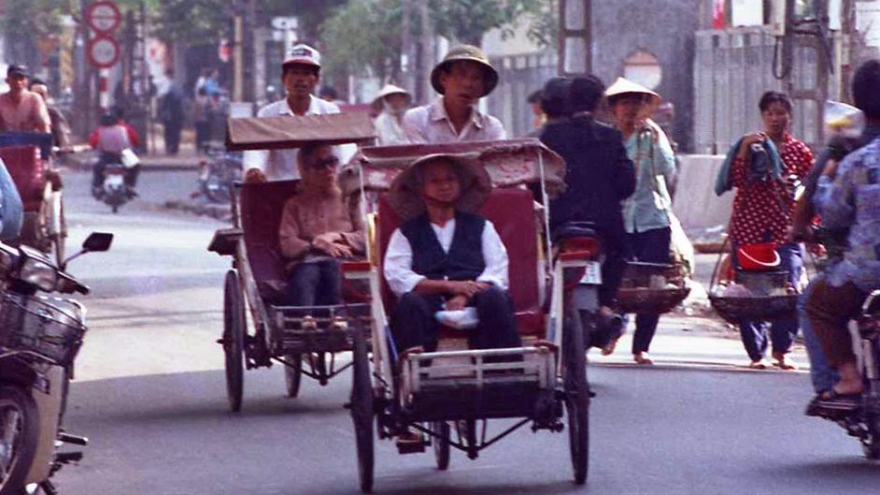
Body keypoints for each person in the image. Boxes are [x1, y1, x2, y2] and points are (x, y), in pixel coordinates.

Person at [795, 61, 880, 413]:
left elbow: (831, 214)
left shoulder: (851, 156)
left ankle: (844, 378)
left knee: (814, 304)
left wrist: (829, 177)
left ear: (857, 103)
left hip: (863, 271)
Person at [383, 154, 522, 358]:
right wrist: (449, 286)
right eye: (435, 181)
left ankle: (506, 369)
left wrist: (464, 294)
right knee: (409, 303)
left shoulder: (481, 226)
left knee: (494, 297)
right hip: (428, 303)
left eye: (450, 179)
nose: (445, 186)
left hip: (476, 299)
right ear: (421, 189)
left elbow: (497, 271)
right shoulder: (405, 233)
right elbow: (398, 276)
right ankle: (408, 372)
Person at [538, 75, 636, 350]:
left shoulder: (550, 136)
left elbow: (538, 182)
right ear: (599, 103)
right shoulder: (612, 136)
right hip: (604, 224)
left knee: (545, 263)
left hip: (559, 221)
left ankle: (546, 306)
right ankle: (606, 306)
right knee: (620, 253)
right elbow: (627, 184)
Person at [720, 91, 813, 370]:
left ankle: (782, 349)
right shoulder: (751, 146)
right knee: (751, 291)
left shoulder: (800, 152)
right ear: (763, 116)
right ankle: (756, 353)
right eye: (770, 113)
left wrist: (812, 227)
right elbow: (735, 179)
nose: (776, 118)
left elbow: (811, 192)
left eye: (781, 112)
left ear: (790, 116)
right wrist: (746, 149)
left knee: (789, 287)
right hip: (749, 227)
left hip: (786, 229)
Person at [605, 77, 677, 365]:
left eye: (636, 103)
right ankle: (613, 329)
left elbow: (665, 169)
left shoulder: (652, 135)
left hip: (652, 218)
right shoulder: (607, 137)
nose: (630, 109)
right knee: (618, 279)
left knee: (651, 284)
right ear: (614, 108)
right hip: (618, 218)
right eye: (624, 103)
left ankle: (641, 346)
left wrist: (656, 138)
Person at [278, 142, 365, 306]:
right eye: (320, 165)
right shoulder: (294, 205)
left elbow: (366, 238)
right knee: (309, 272)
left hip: (345, 263)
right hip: (307, 263)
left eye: (332, 162)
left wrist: (335, 236)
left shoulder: (350, 200)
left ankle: (337, 319)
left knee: (332, 267)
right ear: (305, 170)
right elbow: (287, 242)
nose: (329, 170)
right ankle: (306, 320)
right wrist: (315, 245)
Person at [243, 44, 341, 183]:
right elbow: (257, 150)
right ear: (284, 78)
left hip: (319, 189)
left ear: (316, 80)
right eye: (294, 73)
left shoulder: (329, 111)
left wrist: (349, 168)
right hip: (279, 190)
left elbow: (342, 150)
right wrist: (254, 169)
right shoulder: (268, 114)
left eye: (306, 74)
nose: (300, 79)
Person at [402, 45, 505, 143]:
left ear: (483, 86)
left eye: (476, 78)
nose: (468, 84)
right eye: (460, 75)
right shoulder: (418, 120)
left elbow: (497, 159)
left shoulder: (491, 127)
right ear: (443, 79)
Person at [88, 112, 141, 197]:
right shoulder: (124, 129)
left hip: (107, 156)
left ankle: (98, 187)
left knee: (97, 169)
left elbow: (93, 144)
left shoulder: (99, 131)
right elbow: (136, 141)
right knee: (135, 166)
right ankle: (130, 186)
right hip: (124, 155)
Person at [0, 64, 50, 133]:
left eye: (21, 79)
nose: (18, 83)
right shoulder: (1, 100)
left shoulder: (34, 100)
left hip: (30, 142)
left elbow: (44, 126)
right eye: (14, 78)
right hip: (5, 142)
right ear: (7, 80)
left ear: (27, 81)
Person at [28, 78, 71, 151]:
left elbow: (63, 138)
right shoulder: (23, 113)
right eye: (35, 95)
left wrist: (62, 147)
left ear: (47, 96)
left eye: (42, 94)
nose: (39, 98)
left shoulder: (53, 114)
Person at [158, 69, 185, 155]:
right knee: (175, 132)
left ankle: (170, 147)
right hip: (175, 115)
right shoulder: (176, 86)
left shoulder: (168, 86)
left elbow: (162, 101)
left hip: (170, 115)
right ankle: (174, 148)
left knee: (169, 132)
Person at [192, 87, 215, 153]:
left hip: (199, 120)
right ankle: (206, 148)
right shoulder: (209, 99)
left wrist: (194, 119)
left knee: (199, 134)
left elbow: (196, 111)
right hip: (207, 120)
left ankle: (198, 147)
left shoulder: (197, 99)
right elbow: (214, 108)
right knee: (207, 135)